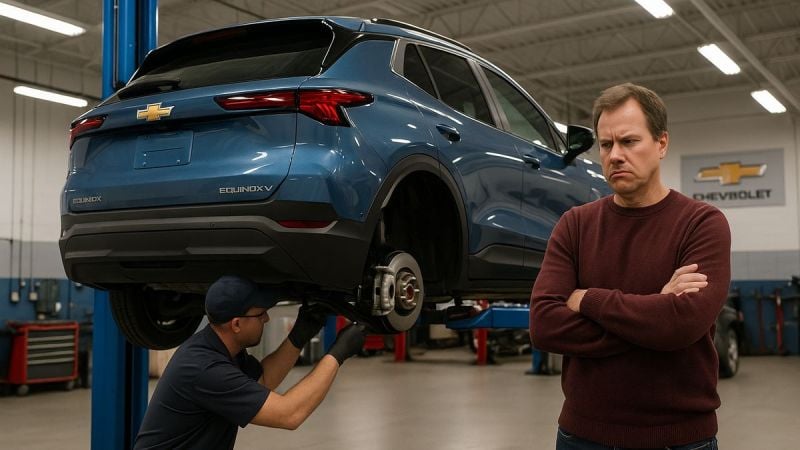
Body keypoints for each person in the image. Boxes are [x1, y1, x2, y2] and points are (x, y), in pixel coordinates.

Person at [530, 83, 730, 449]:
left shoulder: (702, 223)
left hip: (680, 439)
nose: (615, 155)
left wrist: (588, 299)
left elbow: (682, 324)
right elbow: (544, 326)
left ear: (662, 144)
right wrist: (654, 310)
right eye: (606, 145)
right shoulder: (574, 225)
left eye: (629, 141)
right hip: (582, 437)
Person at [134, 275, 366, 449]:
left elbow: (263, 380)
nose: (266, 318)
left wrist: (298, 337)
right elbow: (289, 414)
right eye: (260, 313)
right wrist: (337, 353)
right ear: (236, 324)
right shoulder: (205, 368)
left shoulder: (220, 347)